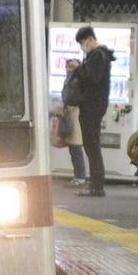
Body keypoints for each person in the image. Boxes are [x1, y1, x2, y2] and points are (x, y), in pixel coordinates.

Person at [73, 26, 114, 197]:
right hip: (94, 105)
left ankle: (96, 185)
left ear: (90, 39)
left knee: (91, 145)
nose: (82, 46)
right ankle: (96, 184)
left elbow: (92, 78)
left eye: (82, 42)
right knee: (91, 145)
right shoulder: (99, 54)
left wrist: (77, 68)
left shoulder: (97, 55)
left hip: (92, 106)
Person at [56, 58, 87, 187]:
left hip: (74, 119)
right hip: (73, 118)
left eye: (70, 66)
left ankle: (80, 177)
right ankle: (79, 176)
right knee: (74, 149)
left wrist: (55, 111)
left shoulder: (76, 80)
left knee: (75, 149)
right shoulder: (73, 79)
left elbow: (71, 100)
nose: (67, 68)